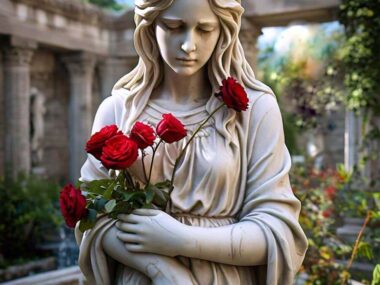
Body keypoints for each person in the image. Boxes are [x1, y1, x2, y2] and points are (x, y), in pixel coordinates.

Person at [75, 0, 308, 284]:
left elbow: (276, 230)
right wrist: (162, 270)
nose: (189, 45)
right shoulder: (117, 110)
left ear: (223, 32)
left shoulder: (255, 110)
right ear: (150, 27)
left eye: (205, 30)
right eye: (174, 27)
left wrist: (182, 240)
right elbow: (94, 217)